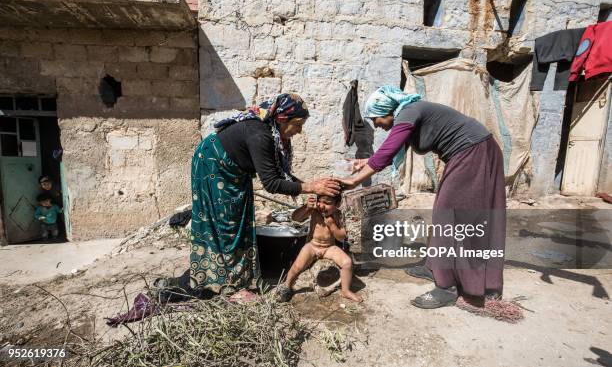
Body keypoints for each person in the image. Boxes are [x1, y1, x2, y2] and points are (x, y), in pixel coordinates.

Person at [155, 93, 341, 301]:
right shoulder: (260, 135)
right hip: (214, 167)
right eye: (297, 125)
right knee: (228, 226)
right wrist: (311, 186)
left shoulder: (272, 134)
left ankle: (234, 280)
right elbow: (271, 183)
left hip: (233, 171)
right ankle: (229, 287)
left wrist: (313, 187)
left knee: (241, 223)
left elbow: (279, 174)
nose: (299, 131)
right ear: (282, 120)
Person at [339, 86, 506, 309]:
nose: (376, 125)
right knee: (444, 212)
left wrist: (353, 181)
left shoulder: (408, 112)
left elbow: (388, 151)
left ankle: (448, 287)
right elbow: (389, 151)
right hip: (468, 153)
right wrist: (365, 163)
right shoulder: (409, 113)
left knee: (452, 217)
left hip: (473, 152)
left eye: (376, 119)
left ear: (388, 111)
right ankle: (435, 267)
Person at [277, 194, 362, 302]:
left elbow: (341, 237)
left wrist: (332, 225)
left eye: (327, 203)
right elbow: (295, 218)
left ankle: (345, 291)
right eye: (320, 201)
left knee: (347, 263)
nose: (322, 206)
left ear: (337, 204)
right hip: (312, 245)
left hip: (329, 248)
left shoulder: (338, 215)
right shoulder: (314, 210)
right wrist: (306, 207)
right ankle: (287, 286)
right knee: (297, 266)